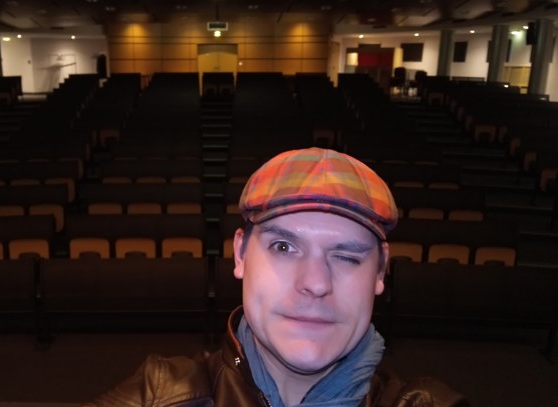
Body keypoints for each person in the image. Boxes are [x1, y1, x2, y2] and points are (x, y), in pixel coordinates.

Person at [84, 147, 468, 407]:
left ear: (380, 271)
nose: (316, 283)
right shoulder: (159, 396)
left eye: (347, 256)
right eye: (284, 247)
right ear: (240, 254)